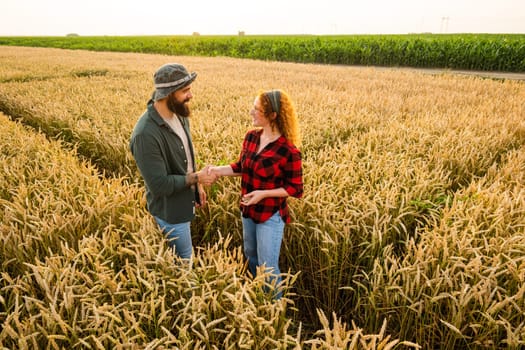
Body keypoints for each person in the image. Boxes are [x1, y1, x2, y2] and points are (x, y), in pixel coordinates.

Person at [210, 89, 303, 299]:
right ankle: (256, 302)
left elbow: (295, 188)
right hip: (248, 210)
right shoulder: (251, 137)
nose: (251, 112)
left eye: (256, 109)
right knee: (251, 257)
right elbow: (241, 166)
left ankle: (274, 311)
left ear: (272, 116)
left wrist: (263, 194)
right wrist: (216, 170)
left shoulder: (288, 150)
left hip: (270, 215)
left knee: (267, 267)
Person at [130, 63, 217, 264]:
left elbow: (187, 153)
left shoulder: (179, 114)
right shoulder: (145, 134)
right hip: (171, 213)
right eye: (185, 90)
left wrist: (197, 185)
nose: (191, 95)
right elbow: (159, 185)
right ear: (168, 94)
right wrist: (196, 177)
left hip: (185, 201)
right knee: (184, 262)